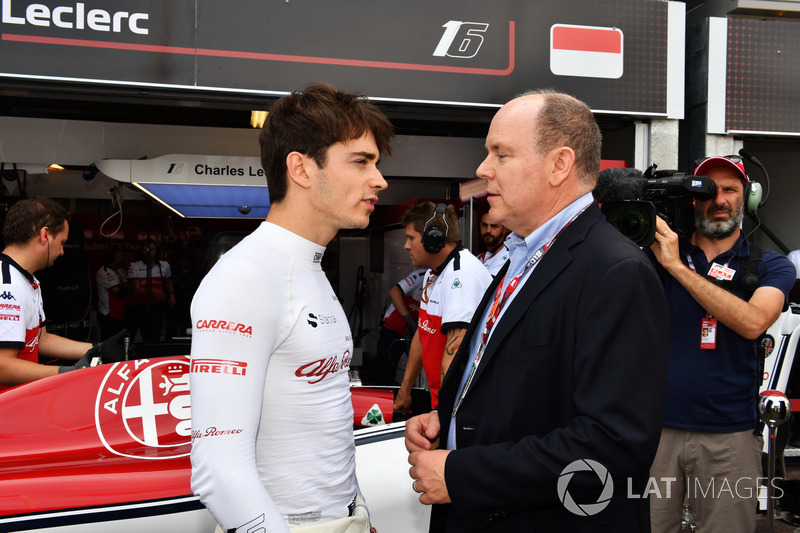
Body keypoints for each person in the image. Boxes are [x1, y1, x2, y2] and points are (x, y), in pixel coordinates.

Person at [404, 90, 669, 532]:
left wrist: (461, 473)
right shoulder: (519, 257)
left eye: (500, 154)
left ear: (559, 164)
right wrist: (452, 421)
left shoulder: (616, 272)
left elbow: (612, 448)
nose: (482, 169)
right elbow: (524, 390)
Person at [189, 82, 394, 533]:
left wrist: (357, 510)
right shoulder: (246, 277)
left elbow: (325, 425)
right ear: (301, 168)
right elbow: (217, 469)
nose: (379, 180)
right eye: (361, 161)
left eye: (376, 164)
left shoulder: (309, 267)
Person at [647, 155, 796, 533]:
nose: (719, 200)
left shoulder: (770, 266)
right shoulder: (652, 257)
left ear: (748, 198)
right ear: (692, 199)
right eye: (708, 190)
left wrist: (678, 269)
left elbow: (752, 323)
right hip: (653, 432)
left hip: (729, 437)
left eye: (730, 190)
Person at [0, 198, 126, 392]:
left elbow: (41, 339)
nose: (62, 251)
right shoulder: (7, 285)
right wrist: (66, 372)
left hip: (18, 401)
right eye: (62, 242)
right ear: (45, 235)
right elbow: (3, 366)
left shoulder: (27, 280)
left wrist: (97, 348)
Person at [393, 202, 492, 412]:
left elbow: (455, 349)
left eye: (411, 238)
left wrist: (442, 413)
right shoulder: (434, 271)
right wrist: (405, 389)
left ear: (433, 239)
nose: (406, 246)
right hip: (441, 401)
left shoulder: (461, 275)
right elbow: (424, 331)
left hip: (459, 407)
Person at [363, 268, 425, 386]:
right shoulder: (421, 275)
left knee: (420, 372)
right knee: (384, 373)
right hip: (393, 329)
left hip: (416, 334)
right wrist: (409, 322)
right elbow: (394, 292)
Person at [127, 238, 175, 342]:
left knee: (158, 333)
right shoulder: (134, 266)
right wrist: (155, 291)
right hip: (141, 306)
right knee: (144, 334)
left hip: (158, 305)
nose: (150, 252)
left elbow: (168, 282)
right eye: (147, 250)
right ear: (142, 251)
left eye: (152, 249)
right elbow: (136, 289)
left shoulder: (164, 265)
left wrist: (171, 294)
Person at [95, 247, 128, 339]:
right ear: (112, 257)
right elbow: (119, 292)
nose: (122, 258)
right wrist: (130, 288)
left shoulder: (118, 271)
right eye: (119, 256)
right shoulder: (104, 272)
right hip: (108, 314)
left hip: (118, 313)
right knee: (109, 342)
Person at [475, 211, 509, 276]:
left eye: (494, 226)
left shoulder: (508, 255)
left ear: (504, 230)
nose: (488, 230)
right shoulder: (479, 257)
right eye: (484, 225)